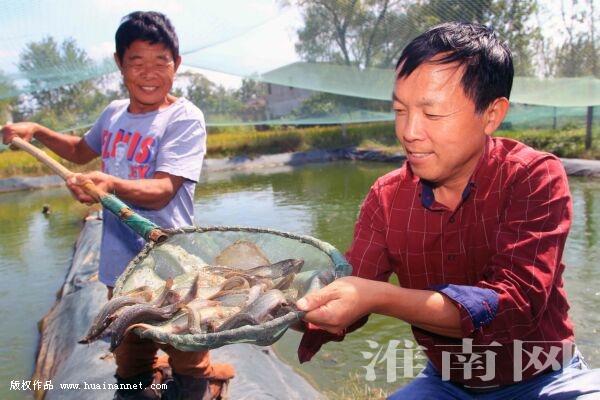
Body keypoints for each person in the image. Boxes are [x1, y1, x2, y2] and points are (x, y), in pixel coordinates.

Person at [295, 21, 600, 398]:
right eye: (400, 110)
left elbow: (515, 304)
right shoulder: (386, 197)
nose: (409, 132)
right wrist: (288, 306)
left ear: (491, 114)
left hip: (545, 377)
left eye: (433, 114)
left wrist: (379, 296)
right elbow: (350, 292)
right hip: (449, 383)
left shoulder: (533, 176)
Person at [2, 11, 233, 400]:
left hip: (172, 265)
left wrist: (109, 184)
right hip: (120, 265)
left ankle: (193, 387)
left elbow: (163, 189)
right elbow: (80, 150)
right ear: (119, 64)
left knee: (187, 349)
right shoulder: (112, 113)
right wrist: (37, 131)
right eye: (136, 61)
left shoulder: (184, 118)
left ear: (176, 64)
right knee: (130, 350)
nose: (149, 73)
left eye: (161, 61)